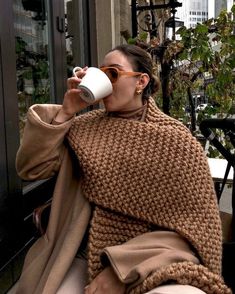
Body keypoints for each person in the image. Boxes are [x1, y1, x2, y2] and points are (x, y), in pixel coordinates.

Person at [15, 44, 230, 294]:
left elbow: (198, 230)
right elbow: (31, 169)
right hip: (80, 255)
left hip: (154, 258)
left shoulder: (176, 142)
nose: (106, 81)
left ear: (141, 82)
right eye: (102, 73)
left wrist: (121, 269)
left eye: (113, 74)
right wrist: (66, 112)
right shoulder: (81, 129)